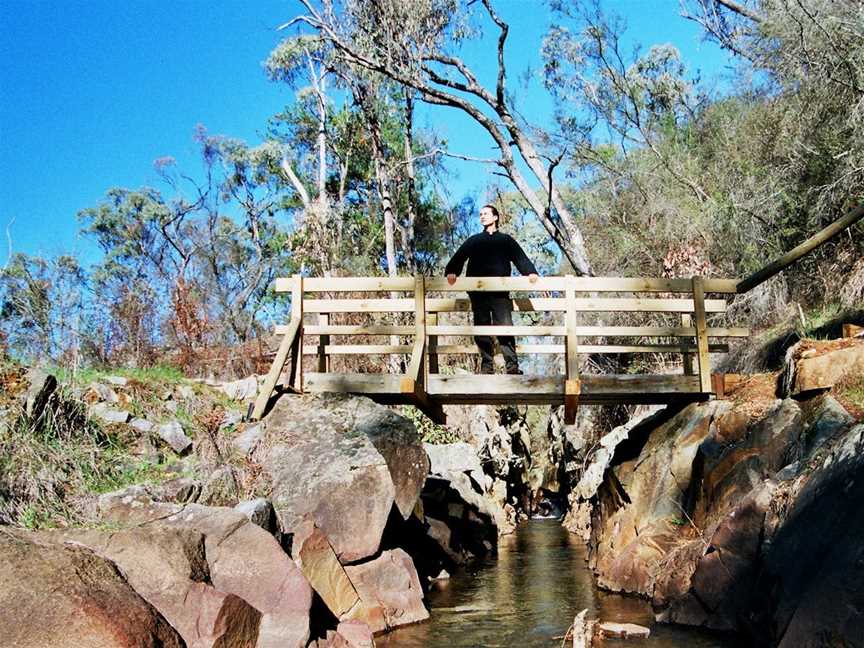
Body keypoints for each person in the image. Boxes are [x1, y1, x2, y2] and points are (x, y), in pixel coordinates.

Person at [444, 204, 539, 374]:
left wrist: (530, 272)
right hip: (477, 292)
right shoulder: (474, 240)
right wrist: (452, 271)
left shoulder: (505, 240)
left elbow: (520, 257)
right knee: (481, 328)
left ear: (495, 217)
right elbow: (459, 257)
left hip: (500, 292)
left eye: (486, 214)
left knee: (505, 327)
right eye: (480, 214)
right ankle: (486, 366)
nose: (482, 216)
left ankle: (512, 367)